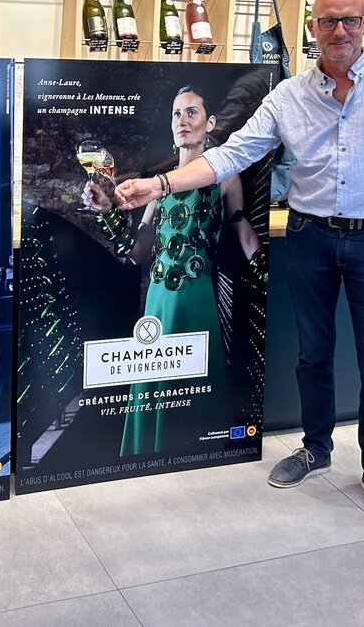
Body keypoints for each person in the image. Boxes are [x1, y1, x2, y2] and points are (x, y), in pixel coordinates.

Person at [114, 0, 364, 529]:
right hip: (311, 237)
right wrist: (160, 184)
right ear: (312, 29)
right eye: (328, 22)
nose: (340, 31)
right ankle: (316, 449)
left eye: (350, 21)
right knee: (313, 354)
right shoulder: (289, 95)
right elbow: (230, 154)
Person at [82, 86, 260, 455]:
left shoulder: (225, 176)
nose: (183, 121)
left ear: (209, 123)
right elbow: (135, 254)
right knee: (156, 384)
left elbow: (242, 230)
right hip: (158, 303)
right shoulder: (156, 187)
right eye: (177, 115)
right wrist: (106, 212)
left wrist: (265, 274)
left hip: (198, 299)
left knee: (195, 384)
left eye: (192, 112)